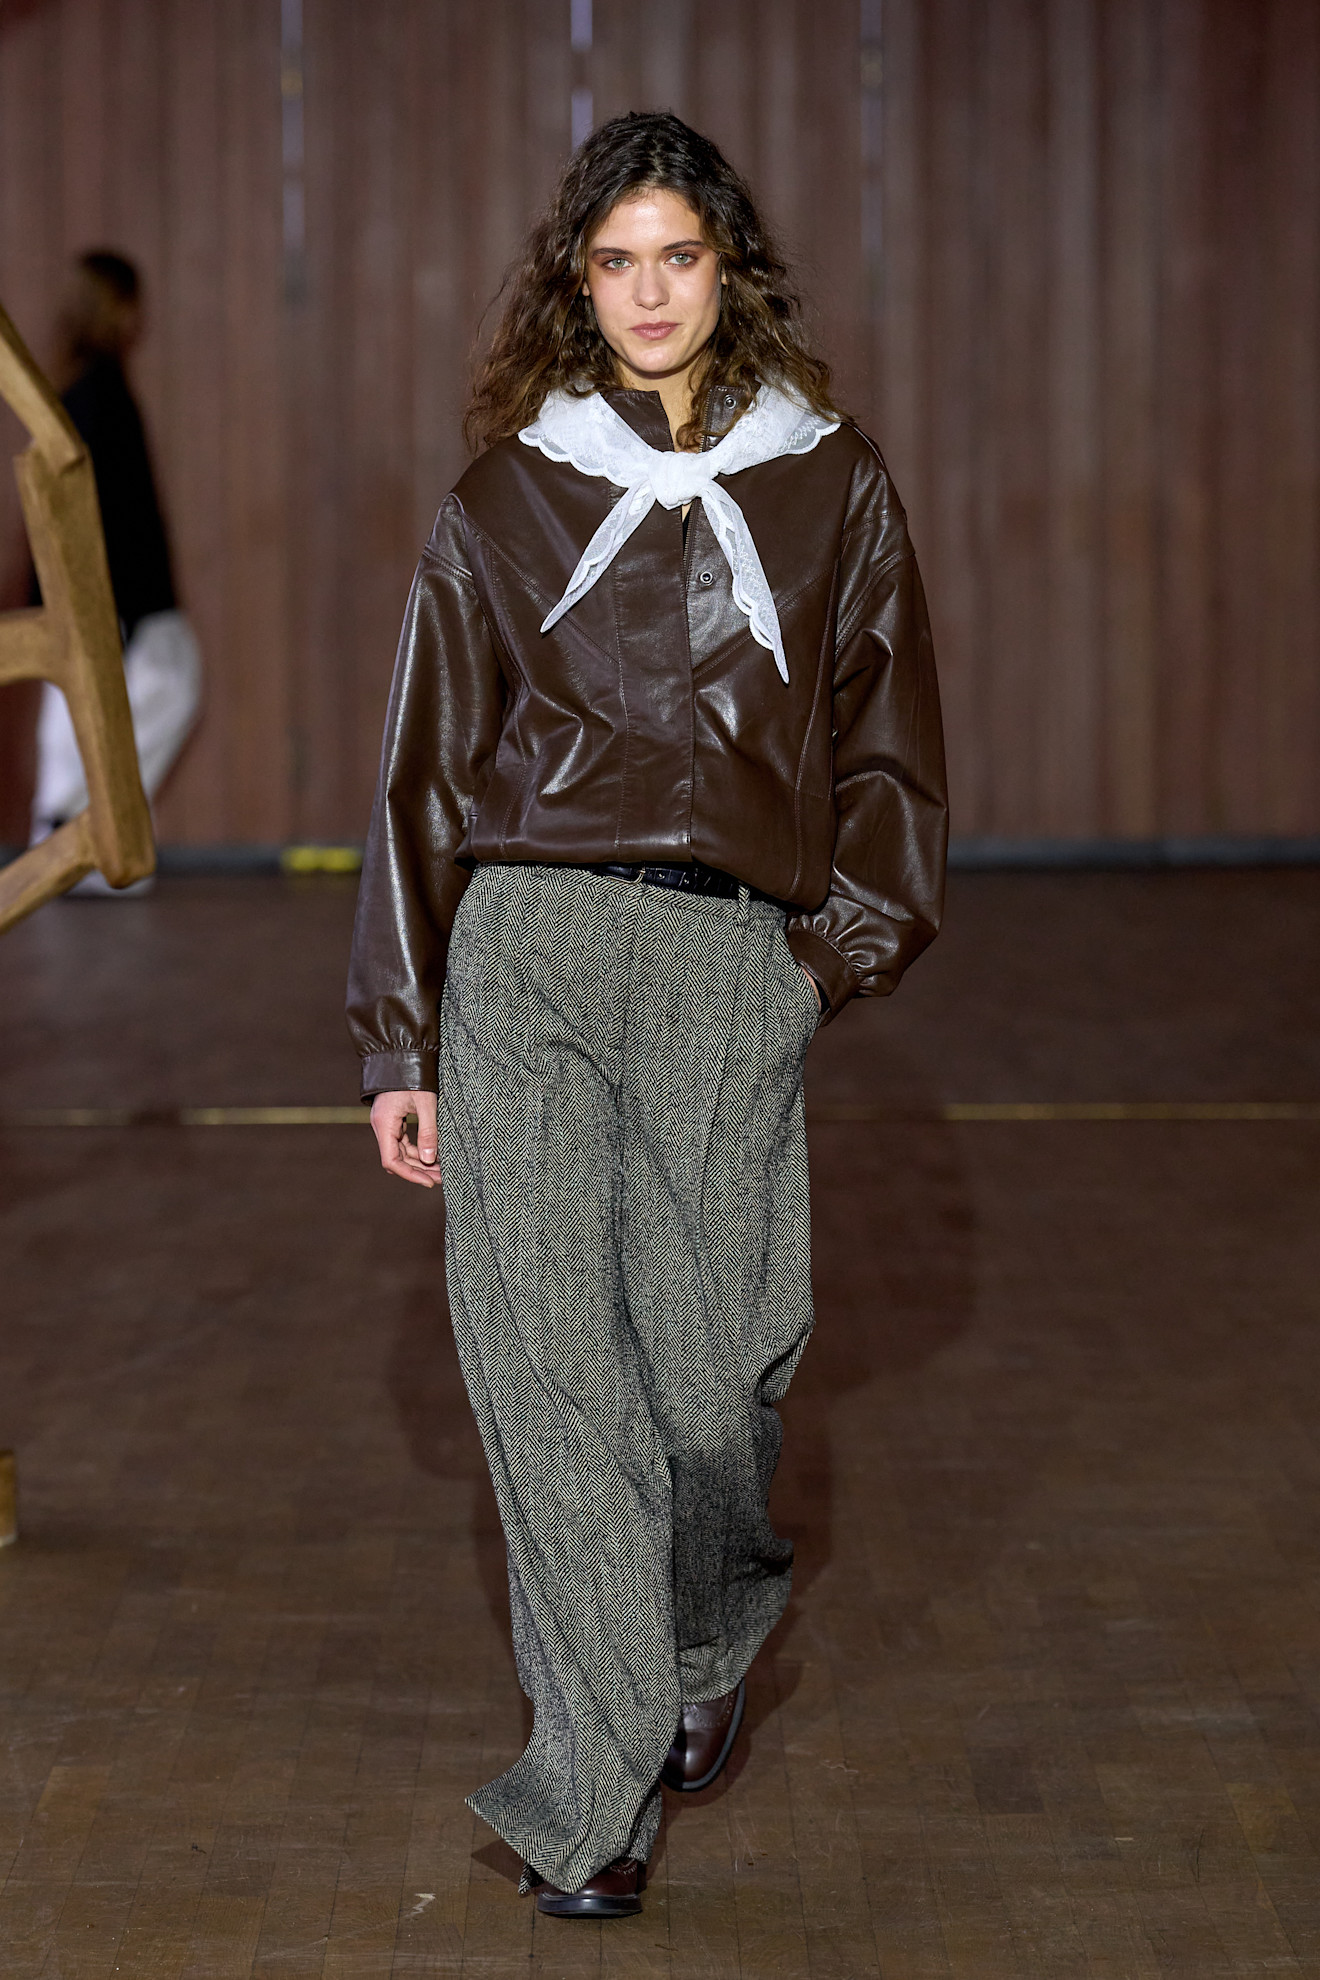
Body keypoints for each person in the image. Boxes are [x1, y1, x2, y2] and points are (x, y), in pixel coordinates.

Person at [346, 110, 947, 1920]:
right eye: (615, 261)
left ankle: (707, 1640)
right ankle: (592, 1792)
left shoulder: (834, 484)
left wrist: (820, 961)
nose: (649, 291)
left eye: (678, 255)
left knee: (712, 1380)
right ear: (577, 284)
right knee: (549, 1384)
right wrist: (402, 1034)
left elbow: (894, 766)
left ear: (728, 270)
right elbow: (421, 776)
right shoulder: (504, 497)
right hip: (523, 954)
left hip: (721, 966)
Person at [29, 250, 202, 886]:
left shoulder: (82, 395)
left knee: (87, 726)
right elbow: (102, 522)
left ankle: (80, 839)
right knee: (150, 693)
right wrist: (115, 616)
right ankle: (72, 835)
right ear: (116, 306)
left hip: (101, 602)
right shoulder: (96, 400)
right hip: (112, 604)